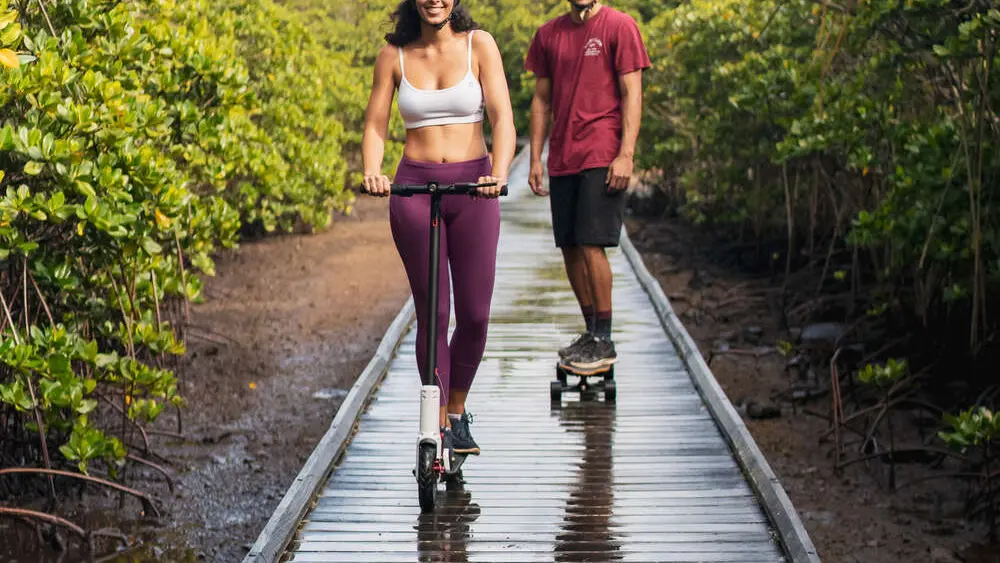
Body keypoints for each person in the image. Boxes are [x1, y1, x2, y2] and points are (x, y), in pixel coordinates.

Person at [361, 0, 516, 456]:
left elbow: (503, 117)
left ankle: (456, 410)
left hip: (474, 191)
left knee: (475, 316)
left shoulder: (479, 45)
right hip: (414, 192)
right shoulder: (394, 56)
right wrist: (374, 169)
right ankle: (435, 425)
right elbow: (375, 123)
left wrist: (500, 173)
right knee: (434, 315)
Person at [525, 0, 650, 371]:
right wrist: (535, 157)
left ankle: (604, 338)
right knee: (569, 246)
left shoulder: (620, 26)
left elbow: (632, 92)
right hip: (563, 155)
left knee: (592, 243)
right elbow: (541, 100)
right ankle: (591, 330)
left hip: (603, 152)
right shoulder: (549, 34)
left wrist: (626, 154)